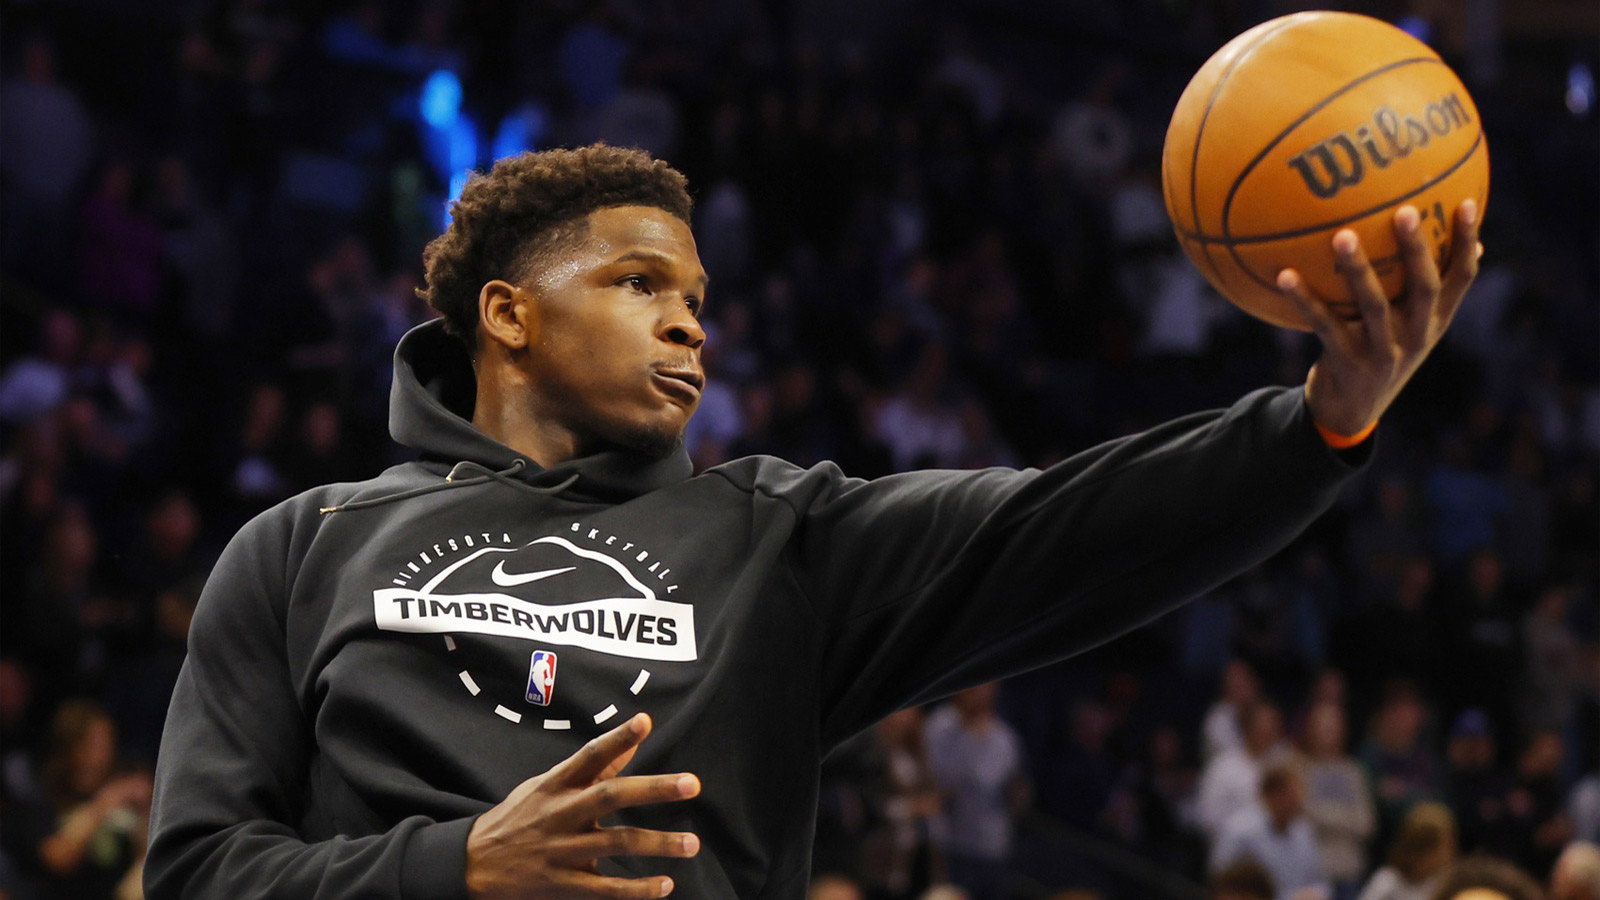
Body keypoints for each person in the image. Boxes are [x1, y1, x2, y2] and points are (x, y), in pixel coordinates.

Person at [143, 144, 1483, 899]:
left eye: (697, 298)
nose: (689, 323)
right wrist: (459, 868)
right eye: (638, 283)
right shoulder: (304, 545)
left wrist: (1321, 419)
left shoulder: (779, 539)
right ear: (508, 315)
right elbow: (200, 872)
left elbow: (1072, 525)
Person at [1210, 764, 1330, 900]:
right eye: (1292, 794)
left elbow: (1319, 881)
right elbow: (1222, 882)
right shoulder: (1240, 831)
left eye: (1300, 793)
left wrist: (1315, 893)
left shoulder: (1303, 831)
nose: (1299, 800)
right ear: (1272, 795)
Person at [1356, 802, 1458, 900]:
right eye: (1444, 847)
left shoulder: (1442, 885)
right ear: (1423, 849)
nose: (1450, 852)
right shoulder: (1388, 881)